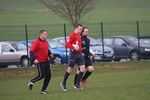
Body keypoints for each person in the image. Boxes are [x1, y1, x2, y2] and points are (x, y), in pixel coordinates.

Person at [60, 24, 85, 91]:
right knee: (70, 70)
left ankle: (77, 85)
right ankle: (63, 83)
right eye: (80, 29)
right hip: (73, 55)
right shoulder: (72, 36)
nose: (81, 30)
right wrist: (73, 47)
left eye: (81, 29)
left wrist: (80, 51)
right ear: (76, 28)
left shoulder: (79, 36)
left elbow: (79, 46)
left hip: (79, 54)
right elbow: (67, 44)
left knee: (82, 69)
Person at [28, 30, 53, 94]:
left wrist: (50, 54)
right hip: (40, 61)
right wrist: (34, 59)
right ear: (41, 35)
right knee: (42, 75)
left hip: (46, 61)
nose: (46, 35)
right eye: (44, 34)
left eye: (46, 34)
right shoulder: (36, 42)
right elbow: (31, 51)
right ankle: (31, 81)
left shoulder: (46, 42)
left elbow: (47, 50)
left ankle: (43, 90)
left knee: (49, 76)